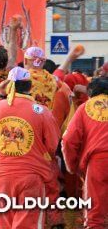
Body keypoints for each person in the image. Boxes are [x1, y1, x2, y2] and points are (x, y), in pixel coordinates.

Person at [0, 67, 59, 229]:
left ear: (9, 85)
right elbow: (52, 146)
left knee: (5, 225)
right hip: (31, 177)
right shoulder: (42, 111)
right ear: (30, 86)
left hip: (1, 178)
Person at [62, 77, 107, 229]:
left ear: (91, 93)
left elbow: (68, 140)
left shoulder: (85, 107)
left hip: (98, 162)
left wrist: (72, 166)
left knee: (94, 215)